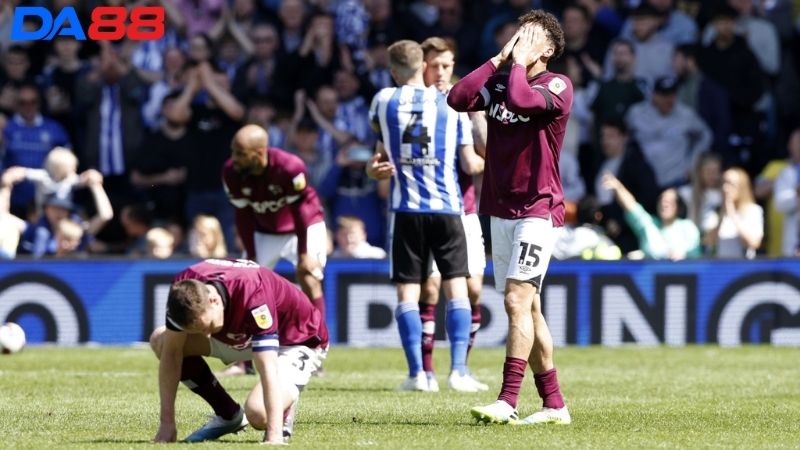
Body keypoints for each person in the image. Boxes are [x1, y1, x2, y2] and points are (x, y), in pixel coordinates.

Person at [448, 10, 572, 424]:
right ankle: (555, 405)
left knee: (516, 300)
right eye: (518, 33)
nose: (520, 39)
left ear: (549, 49)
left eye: (530, 35)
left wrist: (516, 65)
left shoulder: (557, 85)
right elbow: (458, 99)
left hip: (538, 207)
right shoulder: (502, 79)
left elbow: (521, 100)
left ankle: (508, 400)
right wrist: (497, 61)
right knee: (529, 308)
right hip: (500, 206)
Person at [366, 40, 475, 392]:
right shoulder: (452, 103)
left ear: (394, 71)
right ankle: (458, 371)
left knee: (408, 292)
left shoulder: (383, 101)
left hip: (406, 209)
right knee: (455, 285)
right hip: (447, 207)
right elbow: (468, 161)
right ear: (423, 66)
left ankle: (418, 375)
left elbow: (380, 153)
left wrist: (375, 170)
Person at [150, 258, 327, 444]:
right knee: (161, 341)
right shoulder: (182, 290)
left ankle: (284, 411)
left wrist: (274, 435)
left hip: (296, 340)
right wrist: (166, 423)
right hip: (243, 335)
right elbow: (171, 354)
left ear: (214, 300)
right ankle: (228, 415)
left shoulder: (253, 293)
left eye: (207, 326)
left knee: (258, 414)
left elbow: (267, 366)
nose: (207, 336)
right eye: (200, 331)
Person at [416, 36, 488, 393]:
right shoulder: (411, 105)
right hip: (426, 209)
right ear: (422, 67)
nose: (442, 72)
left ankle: (461, 368)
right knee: (430, 288)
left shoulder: (463, 103)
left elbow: (481, 155)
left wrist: (475, 114)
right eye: (435, 65)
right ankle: (425, 373)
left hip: (464, 208)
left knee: (473, 290)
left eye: (447, 65)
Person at [222, 124, 328, 323]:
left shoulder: (290, 167)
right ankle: (250, 341)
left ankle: (318, 340)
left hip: (304, 226)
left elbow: (300, 211)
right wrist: (251, 255)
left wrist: (304, 253)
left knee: (308, 276)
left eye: (241, 153)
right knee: (248, 283)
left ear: (259, 152)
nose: (235, 159)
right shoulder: (231, 172)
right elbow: (243, 214)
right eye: (233, 152)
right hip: (265, 230)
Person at [602, 173, 701, 260]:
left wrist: (683, 255)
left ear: (678, 207)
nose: (664, 205)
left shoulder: (688, 227)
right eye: (662, 201)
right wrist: (618, 187)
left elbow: (695, 252)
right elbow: (632, 207)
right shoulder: (649, 224)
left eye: (670, 202)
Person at [713, 167, 763, 259]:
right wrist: (722, 214)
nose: (725, 188)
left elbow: (753, 243)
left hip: (743, 268)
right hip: (721, 267)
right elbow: (709, 241)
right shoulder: (717, 210)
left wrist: (732, 214)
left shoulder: (753, 211)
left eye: (730, 184)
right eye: (723, 183)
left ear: (741, 187)